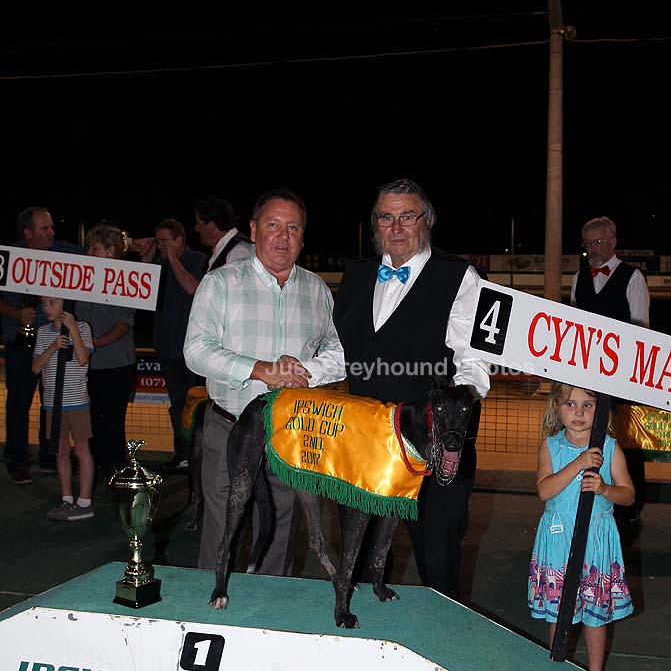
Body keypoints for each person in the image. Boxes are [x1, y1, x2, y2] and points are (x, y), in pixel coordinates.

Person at [333, 178, 491, 601]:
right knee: (358, 563)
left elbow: (474, 362)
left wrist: (458, 404)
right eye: (386, 217)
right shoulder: (355, 276)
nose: (397, 227)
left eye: (407, 216)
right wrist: (298, 372)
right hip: (365, 447)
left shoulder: (461, 277)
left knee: (438, 568)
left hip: (431, 451)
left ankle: (443, 636)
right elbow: (339, 353)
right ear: (375, 225)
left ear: (427, 221)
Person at [184, 187, 345, 577]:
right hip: (229, 427)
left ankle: (272, 606)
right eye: (273, 225)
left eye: (293, 228)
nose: (283, 236)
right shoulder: (220, 284)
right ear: (254, 230)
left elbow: (340, 353)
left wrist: (303, 372)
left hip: (289, 432)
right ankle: (211, 602)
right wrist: (260, 369)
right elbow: (196, 351)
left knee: (281, 533)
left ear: (303, 237)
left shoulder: (318, 290)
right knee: (220, 533)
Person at [528, 383, 635, 671]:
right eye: (570, 404)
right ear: (557, 407)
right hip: (560, 541)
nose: (578, 413)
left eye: (587, 405)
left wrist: (605, 489)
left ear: (601, 410)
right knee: (559, 610)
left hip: (595, 543)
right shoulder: (550, 447)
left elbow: (628, 494)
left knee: (595, 614)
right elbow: (544, 490)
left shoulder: (610, 448)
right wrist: (579, 463)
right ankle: (557, 668)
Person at [571, 215, 649, 526]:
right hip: (588, 377)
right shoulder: (579, 277)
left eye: (598, 242)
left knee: (626, 442)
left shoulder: (633, 277)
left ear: (613, 241)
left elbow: (642, 330)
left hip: (623, 379)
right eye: (588, 243)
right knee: (589, 436)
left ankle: (630, 506)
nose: (592, 248)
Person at [0, 206, 83, 484]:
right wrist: (15, 313)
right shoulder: (8, 257)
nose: (52, 232)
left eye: (51, 227)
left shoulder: (61, 251)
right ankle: (17, 460)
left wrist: (129, 245)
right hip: (20, 344)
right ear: (28, 232)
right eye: (45, 228)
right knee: (19, 403)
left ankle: (51, 456)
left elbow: (97, 255)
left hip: (54, 340)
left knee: (53, 401)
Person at [134, 219, 207, 471]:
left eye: (165, 241)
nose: (161, 246)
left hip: (191, 349)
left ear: (179, 240)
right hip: (167, 346)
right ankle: (182, 452)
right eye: (158, 241)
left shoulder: (197, 259)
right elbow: (141, 296)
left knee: (195, 405)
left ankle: (198, 454)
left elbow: (192, 288)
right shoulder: (159, 263)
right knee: (176, 405)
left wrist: (173, 258)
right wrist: (147, 259)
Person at [77, 224, 137, 483]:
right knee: (91, 420)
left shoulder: (125, 281)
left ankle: (114, 470)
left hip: (115, 365)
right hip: (87, 364)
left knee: (112, 421)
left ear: (110, 251)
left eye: (94, 248)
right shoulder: (82, 280)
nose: (88, 253)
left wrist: (98, 342)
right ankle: (95, 467)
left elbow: (124, 323)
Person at [32, 296, 95, 521]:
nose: (46, 308)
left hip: (77, 402)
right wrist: (52, 347)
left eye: (52, 303)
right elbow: (36, 367)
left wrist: (72, 329)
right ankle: (67, 498)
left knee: (82, 449)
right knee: (60, 451)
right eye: (44, 303)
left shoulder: (83, 328)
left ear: (66, 303)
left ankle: (85, 501)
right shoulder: (43, 332)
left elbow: (83, 359)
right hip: (52, 403)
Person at [194, 196, 254, 270]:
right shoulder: (223, 249)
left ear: (212, 225)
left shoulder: (240, 251)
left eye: (199, 223)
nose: (196, 229)